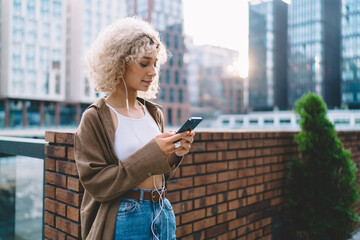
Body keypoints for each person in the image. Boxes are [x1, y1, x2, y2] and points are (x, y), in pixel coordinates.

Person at [74, 17, 195, 240]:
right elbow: (97, 183)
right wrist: (153, 152)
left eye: (155, 64)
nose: (153, 71)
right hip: (126, 216)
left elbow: (160, 172)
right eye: (144, 63)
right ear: (119, 62)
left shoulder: (153, 112)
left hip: (162, 211)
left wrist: (175, 153)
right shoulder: (95, 117)